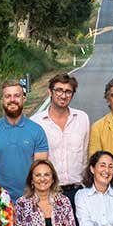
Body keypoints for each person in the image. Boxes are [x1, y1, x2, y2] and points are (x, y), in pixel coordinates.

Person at [0, 80, 49, 201]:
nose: (12, 100)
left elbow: (40, 171)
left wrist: (29, 197)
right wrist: (2, 198)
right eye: (8, 96)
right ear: (2, 99)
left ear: (24, 99)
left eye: (17, 96)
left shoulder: (37, 131)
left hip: (30, 198)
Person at [31, 73, 90, 208]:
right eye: (59, 90)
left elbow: (86, 153)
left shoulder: (82, 118)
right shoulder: (36, 122)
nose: (63, 95)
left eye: (68, 91)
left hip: (78, 192)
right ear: (50, 91)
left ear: (73, 94)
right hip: (48, 192)